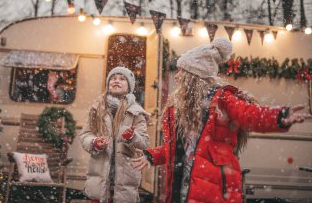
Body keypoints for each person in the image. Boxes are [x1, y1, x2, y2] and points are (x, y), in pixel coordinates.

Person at [131, 38, 312, 203]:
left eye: (181, 71)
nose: (177, 77)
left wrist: (279, 116)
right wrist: (151, 156)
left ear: (193, 75)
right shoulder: (176, 108)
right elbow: (176, 149)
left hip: (215, 186)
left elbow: (249, 114)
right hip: (181, 190)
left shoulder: (221, 99)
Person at [79, 66, 150, 203]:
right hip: (100, 170)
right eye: (113, 78)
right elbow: (85, 135)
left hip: (125, 173)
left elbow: (144, 142)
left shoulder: (136, 112)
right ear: (108, 83)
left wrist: (132, 137)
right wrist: (94, 142)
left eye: (122, 79)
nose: (116, 81)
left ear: (129, 86)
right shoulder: (97, 109)